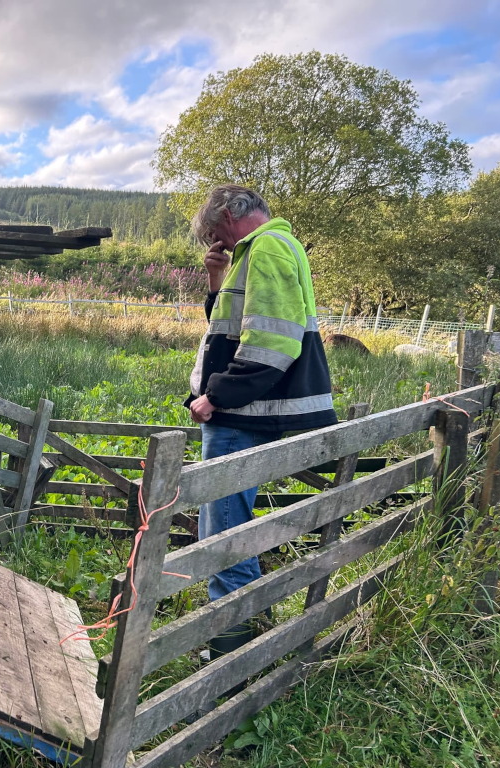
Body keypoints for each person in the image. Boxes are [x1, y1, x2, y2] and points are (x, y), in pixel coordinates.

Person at [185, 184, 337, 658]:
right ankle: (250, 626)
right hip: (247, 409)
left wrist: (215, 396)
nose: (217, 242)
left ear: (231, 214)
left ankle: (233, 644)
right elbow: (228, 330)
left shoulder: (268, 246)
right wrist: (217, 281)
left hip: (242, 411)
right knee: (231, 523)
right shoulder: (264, 249)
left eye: (214, 232)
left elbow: (273, 343)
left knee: (225, 531)